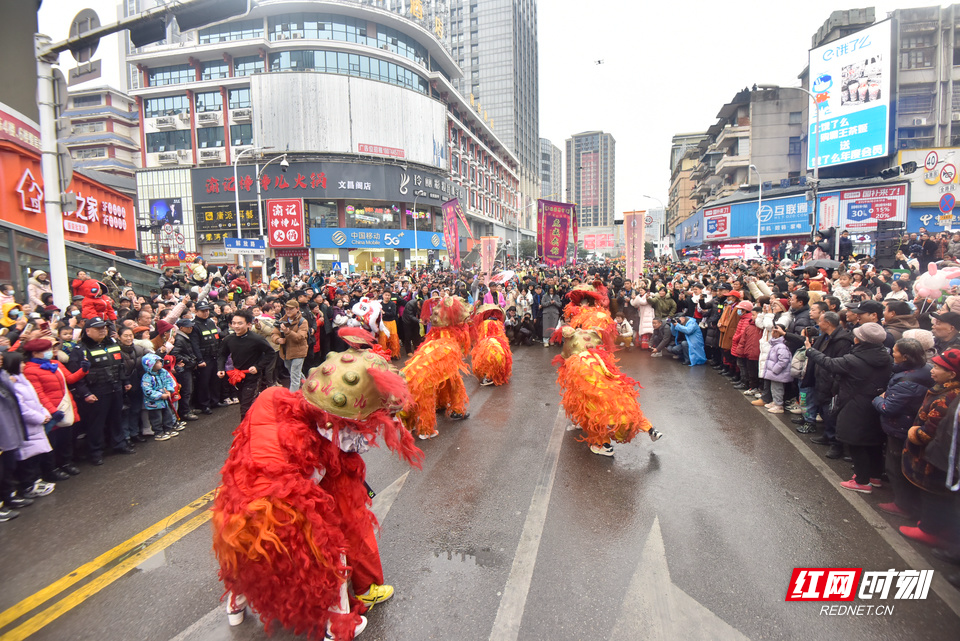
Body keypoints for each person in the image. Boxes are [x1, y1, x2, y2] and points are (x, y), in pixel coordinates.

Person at [212, 330, 422, 638]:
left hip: (234, 502)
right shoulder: (322, 442)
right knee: (330, 552)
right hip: (276, 511)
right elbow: (318, 481)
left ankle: (236, 603)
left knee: (242, 551)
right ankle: (337, 626)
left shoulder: (270, 398)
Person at [806, 322, 894, 493]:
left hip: (854, 404)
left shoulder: (853, 360)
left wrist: (811, 350)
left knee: (854, 442)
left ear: (861, 340)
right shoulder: (887, 358)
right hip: (875, 404)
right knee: (873, 442)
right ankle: (875, 476)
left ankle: (861, 481)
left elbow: (829, 363)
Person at [900, 347, 960, 547]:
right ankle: (935, 525)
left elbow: (931, 431)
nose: (932, 370)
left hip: (934, 454)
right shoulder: (943, 390)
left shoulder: (948, 398)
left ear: (952, 374)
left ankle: (930, 529)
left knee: (933, 491)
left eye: (937, 367)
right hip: (934, 452)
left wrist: (914, 433)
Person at [872, 338, 933, 520]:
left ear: (905, 357)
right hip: (910, 425)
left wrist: (878, 398)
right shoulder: (925, 371)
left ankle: (903, 505)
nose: (892, 353)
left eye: (896, 351)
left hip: (901, 427)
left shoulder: (908, 381)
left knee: (896, 467)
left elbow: (888, 407)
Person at [68, 317, 132, 465]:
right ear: (88, 331)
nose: (103, 330)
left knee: (116, 418)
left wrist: (126, 382)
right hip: (96, 391)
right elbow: (77, 376)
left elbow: (121, 365)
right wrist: (85, 393)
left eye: (104, 327)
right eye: (98, 328)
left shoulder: (112, 344)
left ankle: (119, 444)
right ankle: (96, 452)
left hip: (115, 387)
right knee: (96, 423)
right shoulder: (81, 349)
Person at [21, 338, 86, 477]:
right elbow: (39, 393)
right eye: (47, 350)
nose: (51, 352)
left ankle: (66, 463)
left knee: (66, 438)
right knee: (52, 442)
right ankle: (51, 469)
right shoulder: (30, 370)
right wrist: (53, 411)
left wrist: (83, 370)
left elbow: (70, 379)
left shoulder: (55, 363)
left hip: (65, 407)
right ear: (35, 353)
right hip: (50, 411)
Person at [4, 351, 57, 499]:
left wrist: (44, 413)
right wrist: (40, 418)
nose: (24, 365)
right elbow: (22, 410)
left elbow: (35, 400)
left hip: (36, 425)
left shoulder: (23, 380)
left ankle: (35, 480)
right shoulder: (12, 385)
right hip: (27, 427)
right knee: (27, 459)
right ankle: (27, 486)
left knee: (36, 456)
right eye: (20, 363)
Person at [217, 309, 276, 420]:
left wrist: (258, 367)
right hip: (237, 377)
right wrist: (220, 368)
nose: (236, 326)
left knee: (245, 407)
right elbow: (222, 355)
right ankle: (256, 420)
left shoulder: (256, 339)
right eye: (234, 323)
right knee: (244, 402)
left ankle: (245, 431)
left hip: (252, 376)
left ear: (249, 324)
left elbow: (271, 353)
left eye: (240, 323)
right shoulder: (229, 339)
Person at [141, 353, 178, 441]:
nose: (160, 364)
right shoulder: (147, 377)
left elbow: (169, 381)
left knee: (167, 414)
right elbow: (147, 390)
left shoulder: (163, 372)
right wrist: (160, 395)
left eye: (160, 362)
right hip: (153, 403)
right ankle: (158, 433)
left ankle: (168, 429)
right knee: (156, 418)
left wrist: (169, 390)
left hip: (164, 400)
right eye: (157, 362)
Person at [273, 300, 309, 392]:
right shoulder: (281, 320)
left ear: (297, 309)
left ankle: (292, 397)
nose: (288, 311)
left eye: (291, 309)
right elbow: (274, 334)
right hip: (285, 352)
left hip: (299, 351)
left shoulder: (302, 321)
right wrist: (277, 340)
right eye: (286, 309)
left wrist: (287, 331)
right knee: (294, 372)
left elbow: (300, 337)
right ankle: (308, 385)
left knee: (294, 376)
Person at [191, 302, 221, 415]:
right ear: (196, 311)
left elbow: (216, 338)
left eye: (207, 310)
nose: (205, 313)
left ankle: (215, 401)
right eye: (203, 311)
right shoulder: (194, 325)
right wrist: (200, 360)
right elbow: (195, 344)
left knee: (215, 380)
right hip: (204, 357)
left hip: (214, 355)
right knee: (204, 382)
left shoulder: (210, 322)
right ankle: (204, 404)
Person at [170, 319, 200, 420]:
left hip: (188, 367)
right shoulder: (179, 339)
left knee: (189, 389)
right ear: (181, 328)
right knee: (186, 390)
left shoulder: (184, 337)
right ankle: (185, 412)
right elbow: (175, 353)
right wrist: (188, 360)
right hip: (184, 369)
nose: (191, 328)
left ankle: (189, 408)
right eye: (188, 327)